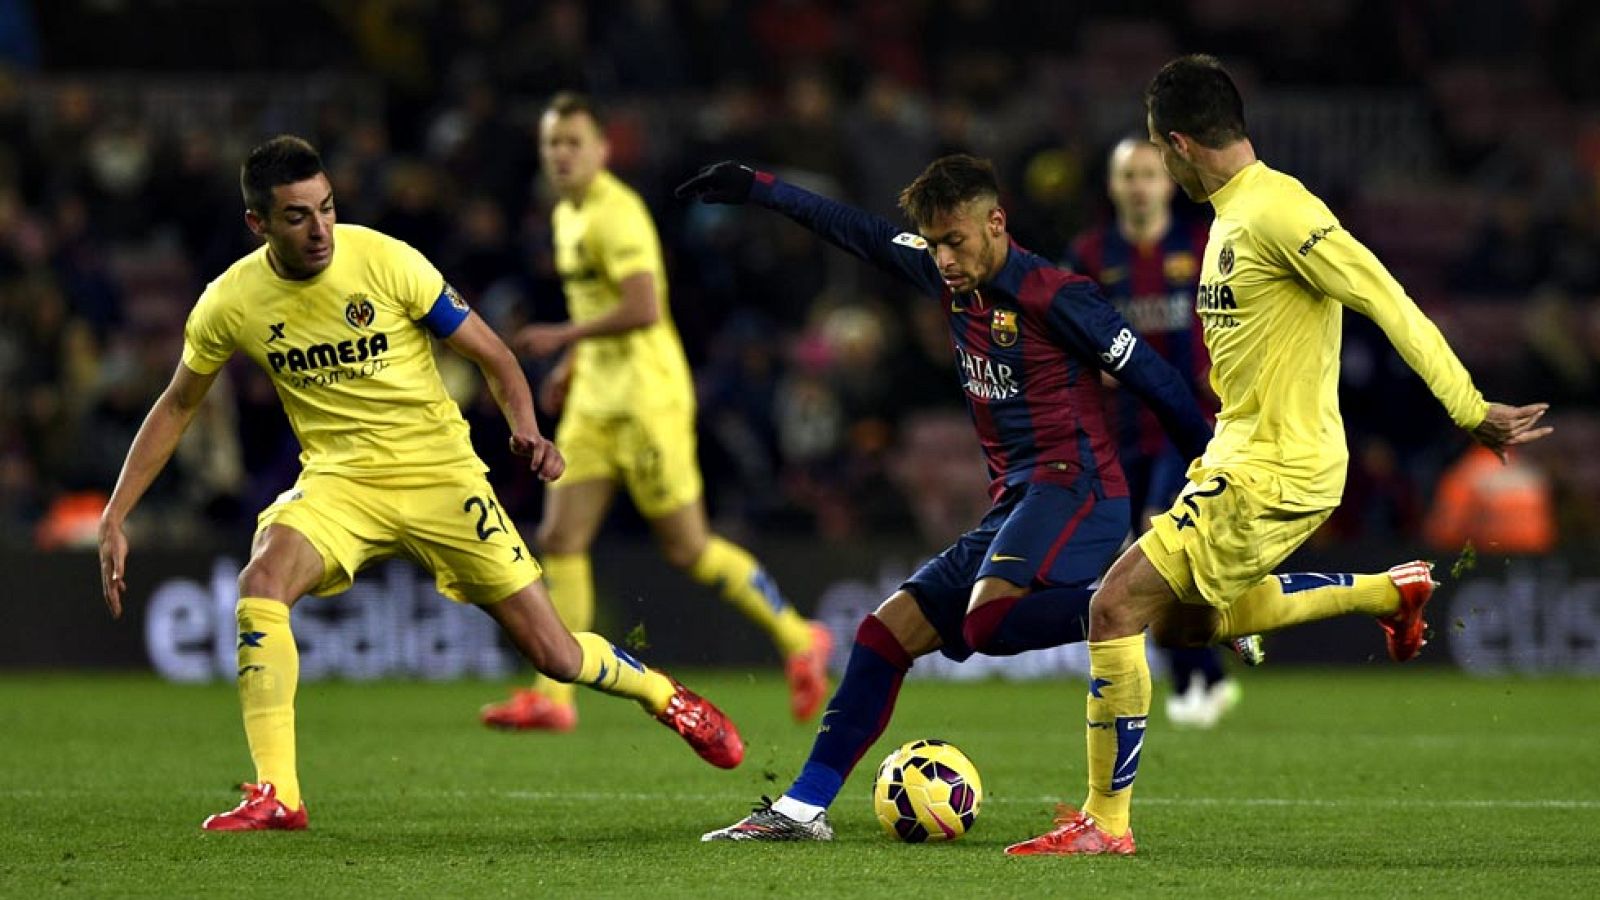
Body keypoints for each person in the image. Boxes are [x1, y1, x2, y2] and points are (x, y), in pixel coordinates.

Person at [95, 135, 744, 832]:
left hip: (441, 475)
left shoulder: (388, 261)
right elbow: (179, 404)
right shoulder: (230, 301)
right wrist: (115, 515)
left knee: (554, 654)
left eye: (327, 208)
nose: (320, 231)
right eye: (297, 216)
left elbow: (494, 355)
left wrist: (526, 427)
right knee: (262, 584)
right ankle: (277, 793)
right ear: (258, 224)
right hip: (341, 483)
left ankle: (661, 694)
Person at [1005, 54, 1552, 857]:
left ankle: (1105, 825)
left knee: (1114, 607)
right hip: (1238, 455)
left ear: (1181, 145)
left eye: (1161, 151)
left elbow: (1384, 296)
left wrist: (1471, 409)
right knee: (1190, 627)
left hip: (1275, 469)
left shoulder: (1281, 211)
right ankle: (1389, 592)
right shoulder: (1231, 216)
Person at [681, 153, 1217, 841]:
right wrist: (759, 189)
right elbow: (859, 231)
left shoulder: (1058, 294)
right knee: (883, 633)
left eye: (954, 241)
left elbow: (1159, 381)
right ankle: (801, 810)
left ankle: (1153, 599)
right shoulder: (949, 276)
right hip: (1017, 498)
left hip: (1077, 486)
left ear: (995, 223)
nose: (942, 258)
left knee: (986, 621)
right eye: (932, 244)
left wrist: (1212, 481)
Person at [478, 93, 832, 732]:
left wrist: (560, 338)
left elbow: (644, 308)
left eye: (573, 142)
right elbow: (599, 305)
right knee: (559, 538)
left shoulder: (618, 215)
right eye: (552, 143)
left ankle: (799, 636)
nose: (561, 154)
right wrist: (570, 366)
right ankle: (554, 697)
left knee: (688, 548)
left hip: (646, 402)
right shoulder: (567, 215)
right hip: (593, 402)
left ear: (601, 149)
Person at [1066, 137, 1248, 729]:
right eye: (1129, 175)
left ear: (1168, 182)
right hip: (1117, 433)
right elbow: (1064, 328)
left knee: (1155, 535)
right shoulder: (1092, 254)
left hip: (1183, 426)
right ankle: (1204, 674)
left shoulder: (1200, 247)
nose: (1140, 185)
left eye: (1149, 174)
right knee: (1134, 560)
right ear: (1114, 186)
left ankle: (1205, 672)